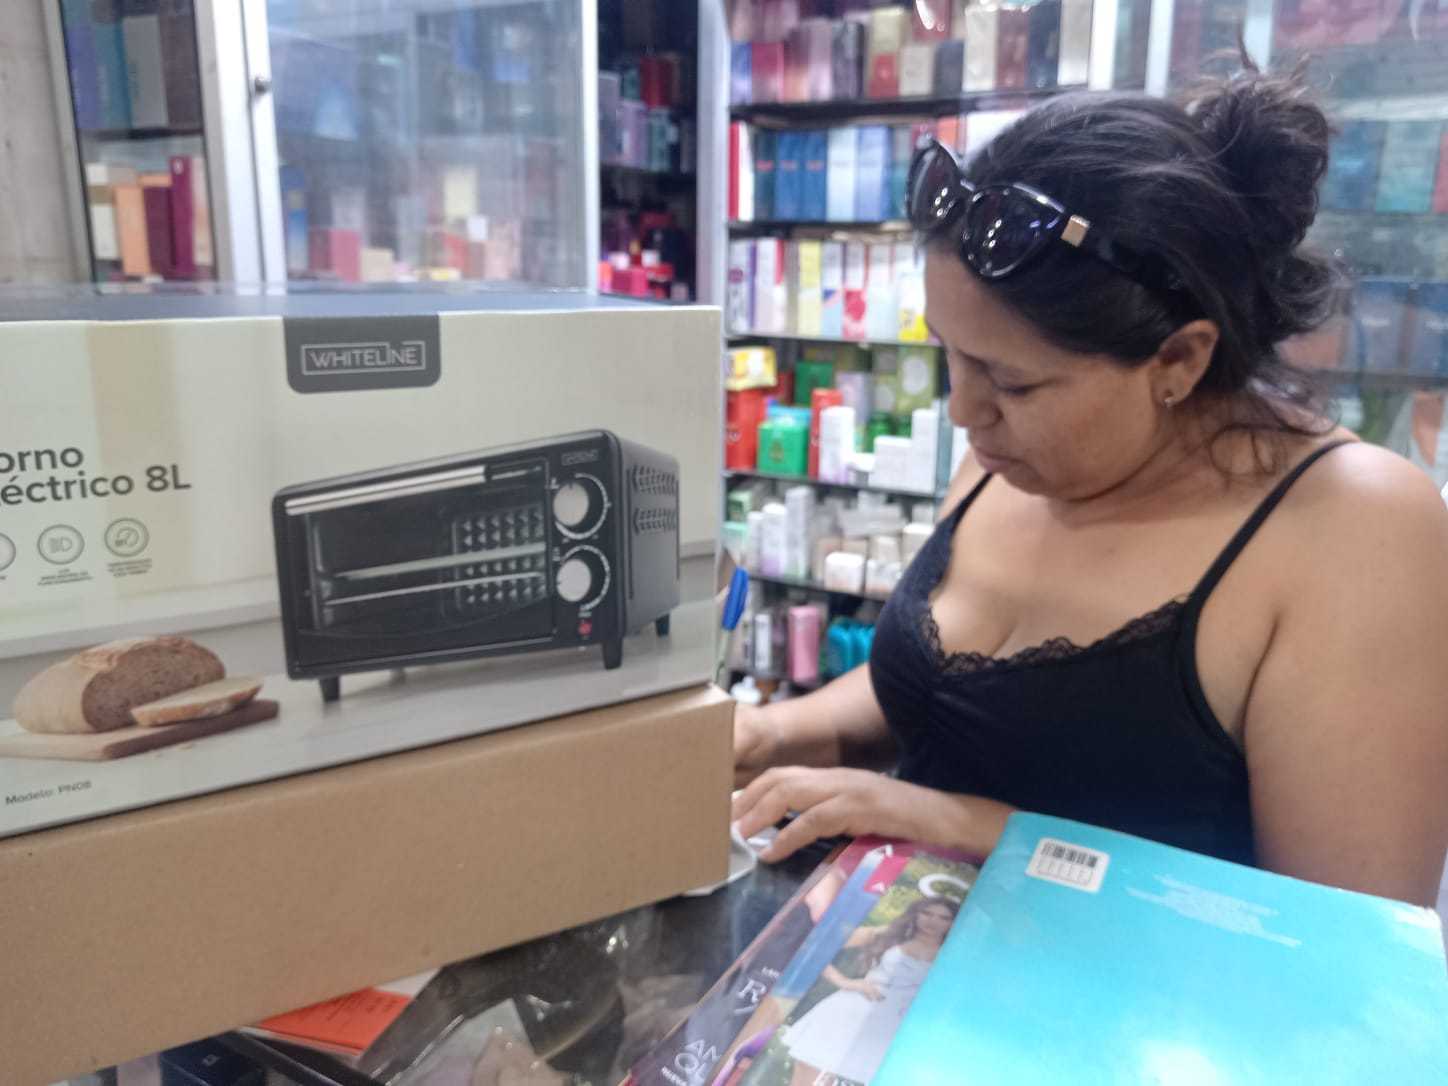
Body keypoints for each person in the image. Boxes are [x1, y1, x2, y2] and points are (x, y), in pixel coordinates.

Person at [731, 64, 1448, 908]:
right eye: (952, 356)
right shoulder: (1014, 454)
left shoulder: (1354, 526)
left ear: (1179, 359)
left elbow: (1343, 938)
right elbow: (941, 696)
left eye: (1012, 382)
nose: (964, 411)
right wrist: (771, 734)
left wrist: (961, 824)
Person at [782, 898, 959, 1086]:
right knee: (810, 1073)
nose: (933, 921)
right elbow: (815, 945)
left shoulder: (954, 954)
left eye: (944, 918)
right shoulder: (888, 934)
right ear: (916, 913)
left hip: (891, 1029)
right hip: (849, 1013)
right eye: (927, 913)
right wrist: (845, 982)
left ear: (953, 922)